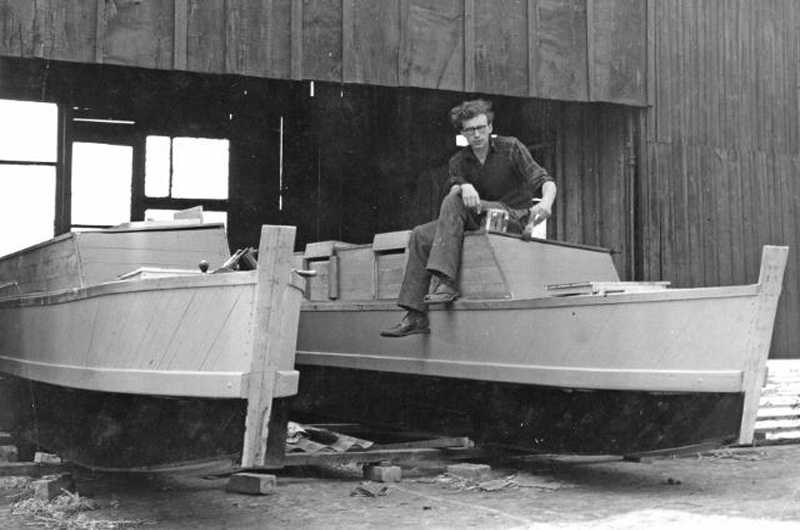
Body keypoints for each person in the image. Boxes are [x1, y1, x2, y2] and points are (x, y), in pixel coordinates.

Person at [381, 99, 557, 338]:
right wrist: (463, 186)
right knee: (421, 235)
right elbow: (454, 194)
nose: (477, 134)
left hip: (513, 218)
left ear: (490, 127)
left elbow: (545, 181)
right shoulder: (458, 161)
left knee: (455, 201)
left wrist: (546, 203)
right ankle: (415, 315)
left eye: (481, 127)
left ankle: (447, 282)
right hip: (479, 218)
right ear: (462, 133)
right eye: (470, 130)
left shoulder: (511, 148)